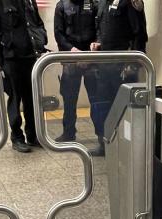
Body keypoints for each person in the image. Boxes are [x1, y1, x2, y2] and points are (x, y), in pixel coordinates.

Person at [0, 0, 47, 153]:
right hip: (11, 57)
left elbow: (37, 22)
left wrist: (41, 39)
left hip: (30, 55)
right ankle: (17, 137)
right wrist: (7, 42)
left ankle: (33, 135)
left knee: (31, 98)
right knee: (15, 97)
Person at [54, 0, 106, 155]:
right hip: (71, 58)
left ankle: (101, 137)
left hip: (91, 60)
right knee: (69, 99)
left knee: (96, 100)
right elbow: (59, 33)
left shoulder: (94, 3)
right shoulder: (61, 5)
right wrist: (72, 50)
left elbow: (100, 29)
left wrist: (95, 48)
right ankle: (68, 133)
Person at [91, 0, 148, 130]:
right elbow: (100, 28)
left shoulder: (130, 2)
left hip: (123, 68)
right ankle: (104, 144)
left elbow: (139, 34)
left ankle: (124, 146)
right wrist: (98, 42)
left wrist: (133, 64)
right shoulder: (102, 3)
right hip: (104, 66)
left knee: (124, 109)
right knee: (103, 108)